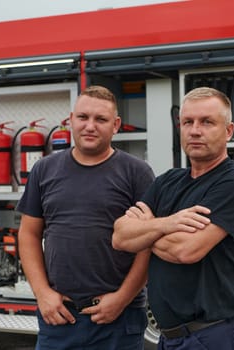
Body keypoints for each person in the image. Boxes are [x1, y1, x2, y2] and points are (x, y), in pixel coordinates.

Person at [113, 87, 234, 350]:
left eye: (207, 122)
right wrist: (166, 224)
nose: (195, 130)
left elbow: (186, 250)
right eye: (187, 122)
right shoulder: (168, 181)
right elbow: (120, 236)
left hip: (213, 336)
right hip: (169, 337)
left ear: (228, 131)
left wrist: (145, 230)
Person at [17, 85, 155, 350]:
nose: (90, 126)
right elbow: (29, 234)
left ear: (115, 125)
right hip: (59, 317)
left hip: (118, 319)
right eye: (83, 117)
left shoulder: (137, 173)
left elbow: (149, 244)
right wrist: (42, 294)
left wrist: (122, 298)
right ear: (71, 120)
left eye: (100, 119)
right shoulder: (44, 170)